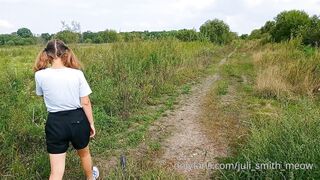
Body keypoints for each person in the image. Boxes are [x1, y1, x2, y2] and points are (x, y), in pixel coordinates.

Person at [33, 39, 99, 180]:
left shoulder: (39, 75)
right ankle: (90, 177)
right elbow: (85, 102)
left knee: (56, 172)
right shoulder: (77, 74)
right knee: (84, 153)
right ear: (65, 54)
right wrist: (91, 123)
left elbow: (41, 94)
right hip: (78, 120)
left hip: (55, 122)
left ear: (48, 55)